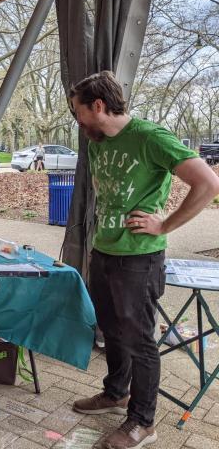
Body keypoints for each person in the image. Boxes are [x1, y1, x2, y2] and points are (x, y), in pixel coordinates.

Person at [69, 71, 219, 449]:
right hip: (105, 251)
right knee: (110, 330)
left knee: (140, 341)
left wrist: (165, 224)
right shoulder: (98, 140)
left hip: (139, 259)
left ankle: (143, 422)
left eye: (79, 112)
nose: (78, 121)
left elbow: (208, 184)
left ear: (98, 106)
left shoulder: (151, 137)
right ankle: (116, 392)